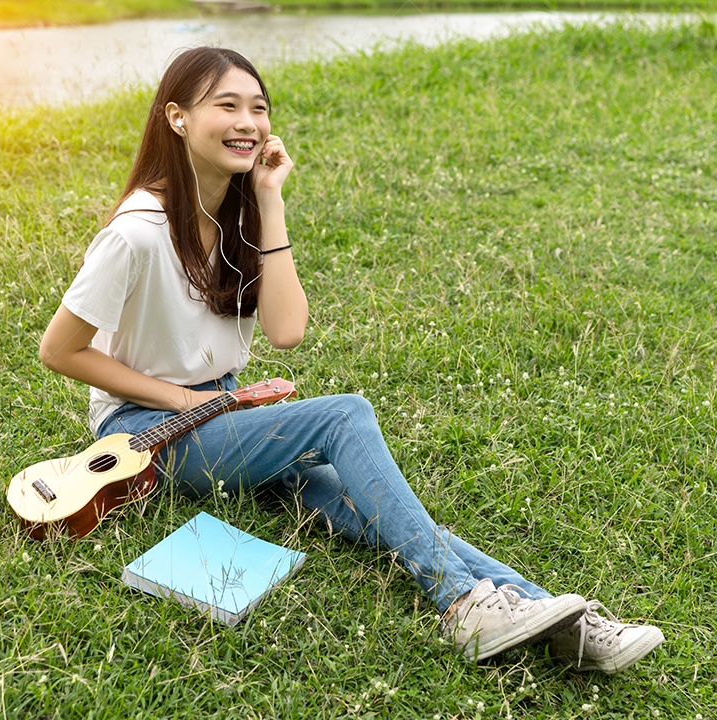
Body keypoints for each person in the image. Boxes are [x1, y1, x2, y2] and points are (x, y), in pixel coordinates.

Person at [38, 46, 663, 672]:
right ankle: (461, 605)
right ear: (177, 118)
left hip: (223, 414)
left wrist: (270, 200)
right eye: (226, 106)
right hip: (145, 433)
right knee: (343, 417)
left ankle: (564, 622)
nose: (248, 123)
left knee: (380, 510)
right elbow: (60, 349)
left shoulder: (239, 214)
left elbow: (287, 330)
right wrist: (185, 400)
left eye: (259, 108)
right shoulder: (136, 231)